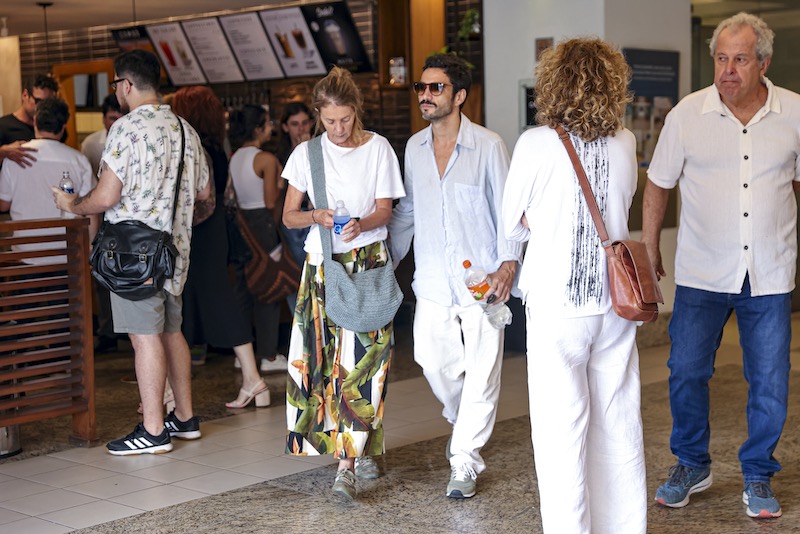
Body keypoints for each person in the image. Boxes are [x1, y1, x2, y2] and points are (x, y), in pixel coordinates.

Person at [642, 12, 800, 519]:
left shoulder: (795, 113)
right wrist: (649, 249)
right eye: (721, 59)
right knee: (685, 371)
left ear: (764, 63)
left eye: (740, 59)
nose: (729, 70)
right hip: (701, 273)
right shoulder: (687, 115)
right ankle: (691, 463)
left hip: (769, 273)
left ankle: (757, 473)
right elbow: (658, 184)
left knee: (770, 381)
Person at [501, 38, 646, 533]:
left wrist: (543, 218)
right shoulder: (626, 142)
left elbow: (510, 226)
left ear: (552, 84)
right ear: (613, 85)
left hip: (557, 306)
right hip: (614, 304)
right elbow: (620, 207)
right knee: (619, 424)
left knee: (561, 434)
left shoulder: (534, 144)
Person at [52, 49, 211, 455]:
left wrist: (72, 205)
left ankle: (154, 430)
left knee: (145, 339)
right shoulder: (185, 129)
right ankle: (185, 419)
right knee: (172, 331)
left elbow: (106, 196)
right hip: (175, 254)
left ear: (124, 84)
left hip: (133, 257)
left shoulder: (125, 129)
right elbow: (206, 197)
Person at [388, 53, 521, 499]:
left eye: (435, 88)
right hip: (431, 282)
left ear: (459, 95)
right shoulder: (413, 148)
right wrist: (383, 261)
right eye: (421, 88)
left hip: (483, 281)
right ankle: (464, 420)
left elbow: (508, 212)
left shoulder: (488, 145)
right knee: (431, 361)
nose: (424, 95)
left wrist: (509, 263)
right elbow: (406, 213)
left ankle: (464, 460)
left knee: (483, 373)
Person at [283, 66, 405, 501]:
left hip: (367, 264)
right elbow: (289, 215)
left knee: (362, 365)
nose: (338, 128)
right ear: (319, 114)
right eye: (330, 120)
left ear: (357, 112)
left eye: (345, 119)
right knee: (322, 363)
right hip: (321, 269)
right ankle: (358, 449)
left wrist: (362, 224)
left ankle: (346, 467)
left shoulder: (379, 149)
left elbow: (384, 210)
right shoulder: (306, 154)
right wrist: (317, 216)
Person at [172, 87, 269, 409]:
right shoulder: (216, 148)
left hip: (197, 233)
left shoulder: (193, 149)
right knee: (217, 302)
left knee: (180, 308)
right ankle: (253, 379)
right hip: (215, 235)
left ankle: (172, 393)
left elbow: (200, 198)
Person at [228, 104, 288, 374]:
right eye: (267, 123)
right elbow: (271, 201)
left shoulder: (235, 156)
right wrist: (281, 184)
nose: (271, 127)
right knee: (268, 288)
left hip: (241, 226)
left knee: (243, 289)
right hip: (263, 224)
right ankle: (269, 355)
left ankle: (243, 354)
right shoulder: (265, 159)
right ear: (258, 128)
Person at [0, 97, 96, 260]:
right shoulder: (78, 160)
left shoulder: (15, 157)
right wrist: (90, 248)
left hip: (26, 255)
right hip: (68, 256)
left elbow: (3, 205)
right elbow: (91, 210)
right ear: (64, 126)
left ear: (35, 120)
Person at [81, 93, 125, 354]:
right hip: (100, 213)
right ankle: (108, 330)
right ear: (103, 118)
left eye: (119, 116)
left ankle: (129, 330)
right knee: (102, 275)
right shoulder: (91, 144)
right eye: (111, 118)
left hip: (124, 214)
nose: (116, 121)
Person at [276, 101, 313, 267]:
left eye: (305, 123)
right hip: (294, 219)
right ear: (285, 127)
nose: (301, 129)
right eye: (295, 124)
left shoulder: (322, 149)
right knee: (299, 269)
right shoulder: (280, 156)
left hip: (318, 214)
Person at [0, 74, 59, 168]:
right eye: (38, 101)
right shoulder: (3, 126)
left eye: (47, 103)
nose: (42, 107)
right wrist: (2, 153)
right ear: (25, 95)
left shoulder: (54, 127)